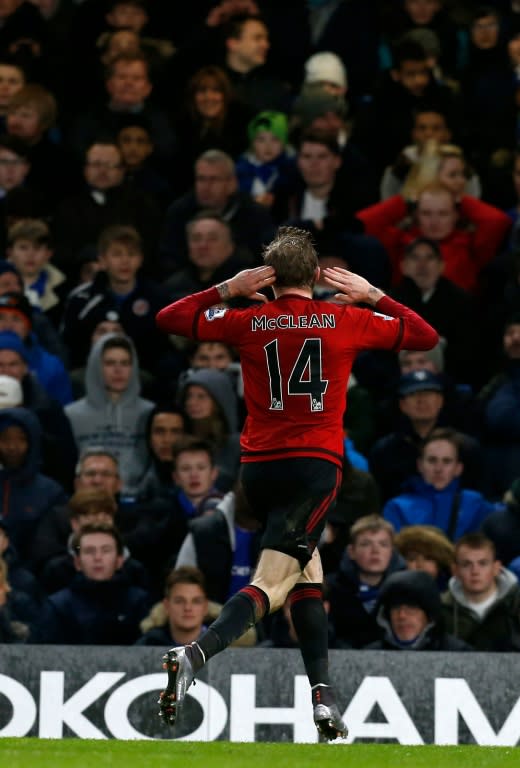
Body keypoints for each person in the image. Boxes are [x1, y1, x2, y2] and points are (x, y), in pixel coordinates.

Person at [154, 225, 438, 739]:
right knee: (272, 582)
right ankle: (196, 653)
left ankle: (322, 699)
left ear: (270, 276)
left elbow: (169, 318)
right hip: (314, 465)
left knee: (307, 572)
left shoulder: (248, 320)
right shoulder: (345, 318)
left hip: (258, 471)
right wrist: (374, 295)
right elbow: (424, 336)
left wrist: (226, 289)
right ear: (314, 274)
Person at [64, 333, 154, 495]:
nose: (118, 370)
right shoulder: (71, 414)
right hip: (86, 500)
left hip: (139, 501)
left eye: (125, 363)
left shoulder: (150, 413)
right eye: (110, 363)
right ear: (95, 367)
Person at [382, 427, 495, 541]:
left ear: (458, 468)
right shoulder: (397, 507)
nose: (438, 468)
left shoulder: (475, 503)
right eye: (432, 460)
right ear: (420, 465)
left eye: (446, 461)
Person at [326, 514, 406, 649]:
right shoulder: (329, 588)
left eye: (383, 544)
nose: (375, 551)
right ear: (351, 551)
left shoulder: (404, 590)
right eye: (366, 544)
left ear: (392, 552)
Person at [441, 532, 520, 651]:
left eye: (482, 563)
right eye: (467, 564)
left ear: (496, 568)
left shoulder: (516, 605)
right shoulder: (440, 609)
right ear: (455, 570)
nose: (475, 571)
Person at [365, 569, 470, 651]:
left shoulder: (459, 653)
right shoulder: (368, 655)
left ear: (429, 616)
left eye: (411, 608)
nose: (402, 615)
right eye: (396, 608)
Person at [6, 217, 67, 327]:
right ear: (10, 252)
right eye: (23, 248)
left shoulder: (63, 290)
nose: (30, 254)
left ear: (48, 254)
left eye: (37, 248)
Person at [136, 565, 210, 647]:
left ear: (205, 607)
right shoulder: (147, 644)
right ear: (167, 606)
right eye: (179, 601)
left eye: (196, 601)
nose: (188, 608)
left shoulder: (223, 644)